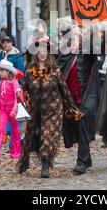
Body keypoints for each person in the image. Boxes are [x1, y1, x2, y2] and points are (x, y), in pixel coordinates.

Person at [18, 43, 81, 178]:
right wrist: (19, 90)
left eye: (45, 51)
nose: (42, 53)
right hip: (35, 110)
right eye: (39, 51)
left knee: (48, 137)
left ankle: (45, 165)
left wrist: (73, 108)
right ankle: (24, 162)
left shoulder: (55, 71)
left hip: (53, 110)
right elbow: (23, 86)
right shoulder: (30, 71)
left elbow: (64, 90)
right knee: (31, 136)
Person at [57, 28, 100, 175]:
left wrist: (88, 34)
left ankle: (81, 161)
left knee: (83, 125)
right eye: (73, 36)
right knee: (76, 128)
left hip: (86, 96)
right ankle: (86, 158)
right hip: (70, 99)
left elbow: (95, 51)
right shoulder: (65, 55)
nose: (76, 37)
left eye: (78, 35)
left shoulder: (87, 53)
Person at [0, 60, 21, 160]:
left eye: (2, 70)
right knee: (0, 130)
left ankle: (16, 152)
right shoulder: (1, 82)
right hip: (3, 110)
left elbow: (17, 96)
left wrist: (15, 109)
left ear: (8, 71)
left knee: (15, 131)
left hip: (13, 110)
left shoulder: (14, 82)